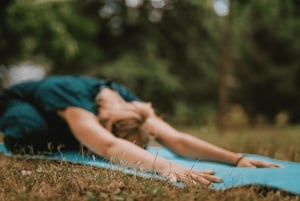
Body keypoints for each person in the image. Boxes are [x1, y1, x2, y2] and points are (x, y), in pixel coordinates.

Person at [0, 75, 279, 186]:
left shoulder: (131, 107)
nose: (133, 151)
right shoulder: (74, 100)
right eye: (130, 145)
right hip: (21, 103)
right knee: (31, 135)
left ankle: (72, 134)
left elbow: (178, 140)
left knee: (81, 139)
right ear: (107, 126)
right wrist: (164, 167)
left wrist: (237, 158)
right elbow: (109, 146)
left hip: (73, 118)